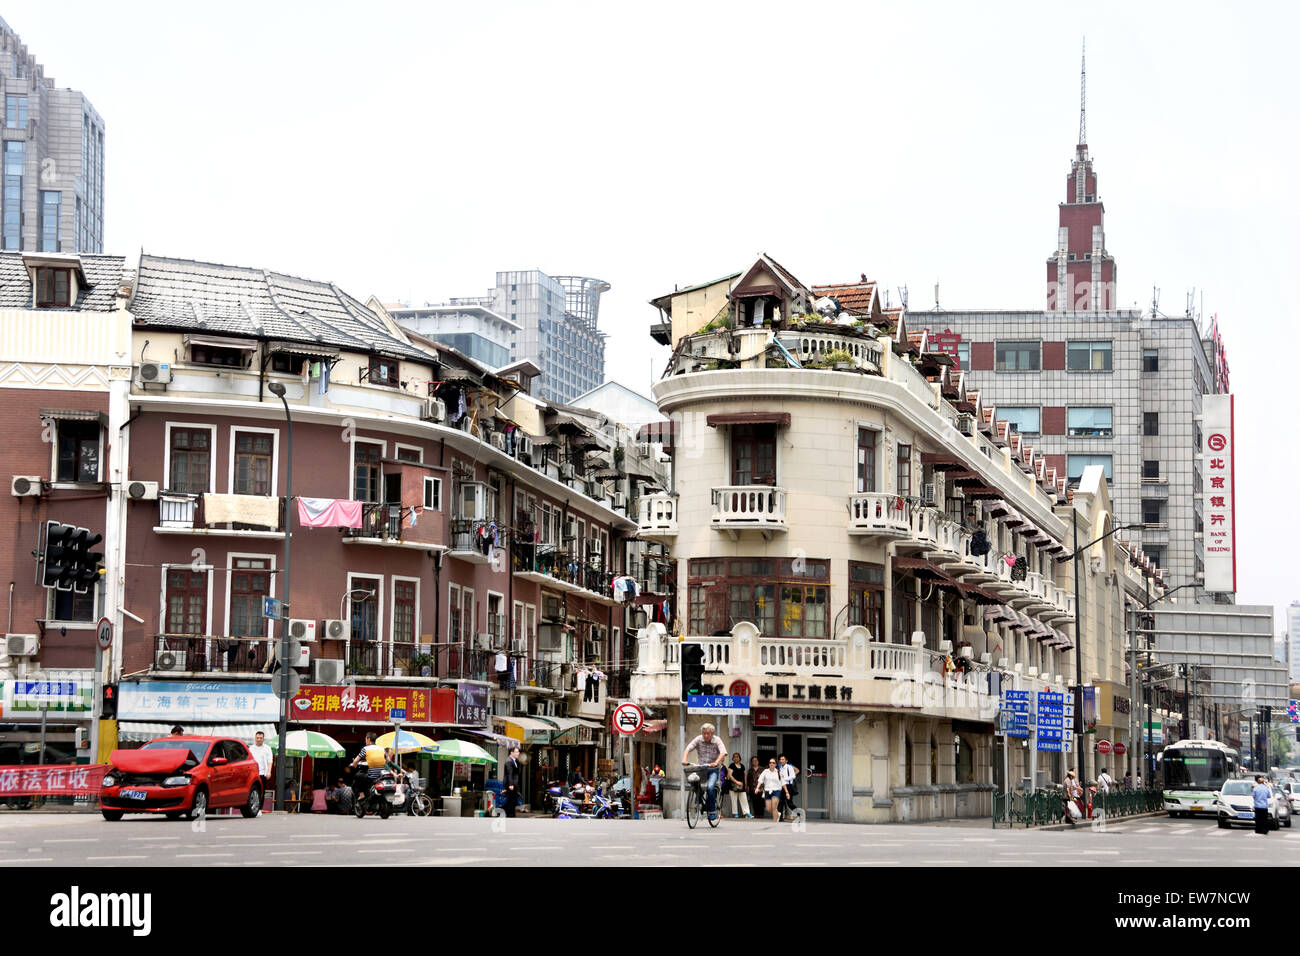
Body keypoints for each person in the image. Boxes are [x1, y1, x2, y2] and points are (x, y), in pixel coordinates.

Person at [681, 722, 727, 821]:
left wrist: (716, 762)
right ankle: (698, 799)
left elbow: (723, 752)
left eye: (708, 733)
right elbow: (688, 748)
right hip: (701, 768)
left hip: (713, 769)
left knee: (710, 787)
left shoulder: (717, 740)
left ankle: (712, 810)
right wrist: (684, 759)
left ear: (712, 733)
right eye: (704, 733)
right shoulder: (698, 739)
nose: (706, 735)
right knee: (695, 782)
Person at [755, 758, 784, 822]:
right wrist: (757, 788)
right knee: (768, 808)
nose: (771, 764)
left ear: (776, 764)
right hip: (767, 791)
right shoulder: (765, 771)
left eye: (773, 763)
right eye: (770, 762)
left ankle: (774, 822)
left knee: (774, 807)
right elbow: (760, 780)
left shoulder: (778, 772)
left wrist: (787, 792)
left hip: (776, 791)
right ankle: (777, 814)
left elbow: (783, 782)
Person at [248, 731, 274, 799]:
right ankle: (253, 808)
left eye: (260, 738)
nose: (259, 739)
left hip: (262, 773)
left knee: (261, 791)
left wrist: (269, 771)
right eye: (257, 738)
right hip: (253, 774)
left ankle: (259, 808)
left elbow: (270, 761)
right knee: (252, 791)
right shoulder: (251, 748)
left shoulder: (267, 748)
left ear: (263, 738)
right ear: (255, 738)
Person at [727, 753, 751, 818]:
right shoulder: (731, 765)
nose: (736, 758)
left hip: (741, 786)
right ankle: (735, 813)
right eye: (734, 757)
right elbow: (729, 775)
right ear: (733, 758)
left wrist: (745, 784)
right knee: (734, 800)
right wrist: (736, 782)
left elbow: (744, 775)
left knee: (744, 799)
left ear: (739, 758)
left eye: (737, 757)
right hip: (733, 786)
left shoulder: (742, 766)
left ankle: (747, 813)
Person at [777, 754, 800, 821]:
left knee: (789, 803)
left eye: (783, 759)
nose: (781, 761)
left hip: (789, 787)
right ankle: (780, 818)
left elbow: (793, 776)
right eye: (780, 759)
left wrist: (785, 779)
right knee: (780, 802)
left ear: (786, 760)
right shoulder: (780, 768)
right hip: (782, 786)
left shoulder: (789, 767)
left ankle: (799, 814)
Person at [502, 745, 523, 818]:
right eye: (516, 752)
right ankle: (510, 814)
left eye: (518, 752)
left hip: (514, 784)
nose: (518, 753)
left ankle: (509, 813)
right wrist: (511, 784)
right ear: (511, 752)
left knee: (512, 799)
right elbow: (509, 774)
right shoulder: (509, 761)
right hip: (510, 784)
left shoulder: (514, 761)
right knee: (512, 799)